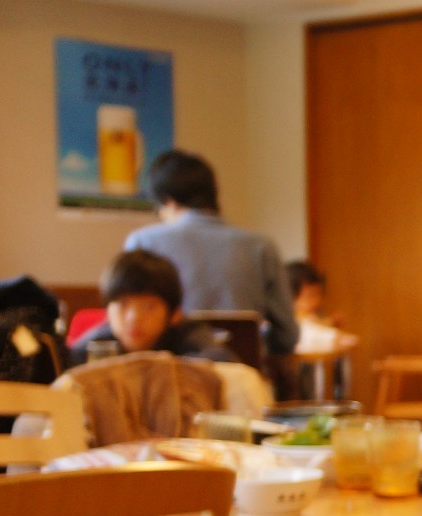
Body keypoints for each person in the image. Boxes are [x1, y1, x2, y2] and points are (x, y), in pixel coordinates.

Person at [125, 150, 296, 355]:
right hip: (244, 378)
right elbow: (287, 336)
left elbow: (130, 328)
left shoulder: (143, 242)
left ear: (168, 200)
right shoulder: (262, 247)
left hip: (168, 377)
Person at [71, 250, 235, 364]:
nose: (134, 317)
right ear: (107, 310)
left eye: (149, 307)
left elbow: (221, 360)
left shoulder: (188, 335)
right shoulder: (98, 345)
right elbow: (68, 362)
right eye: (122, 304)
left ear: (175, 314)